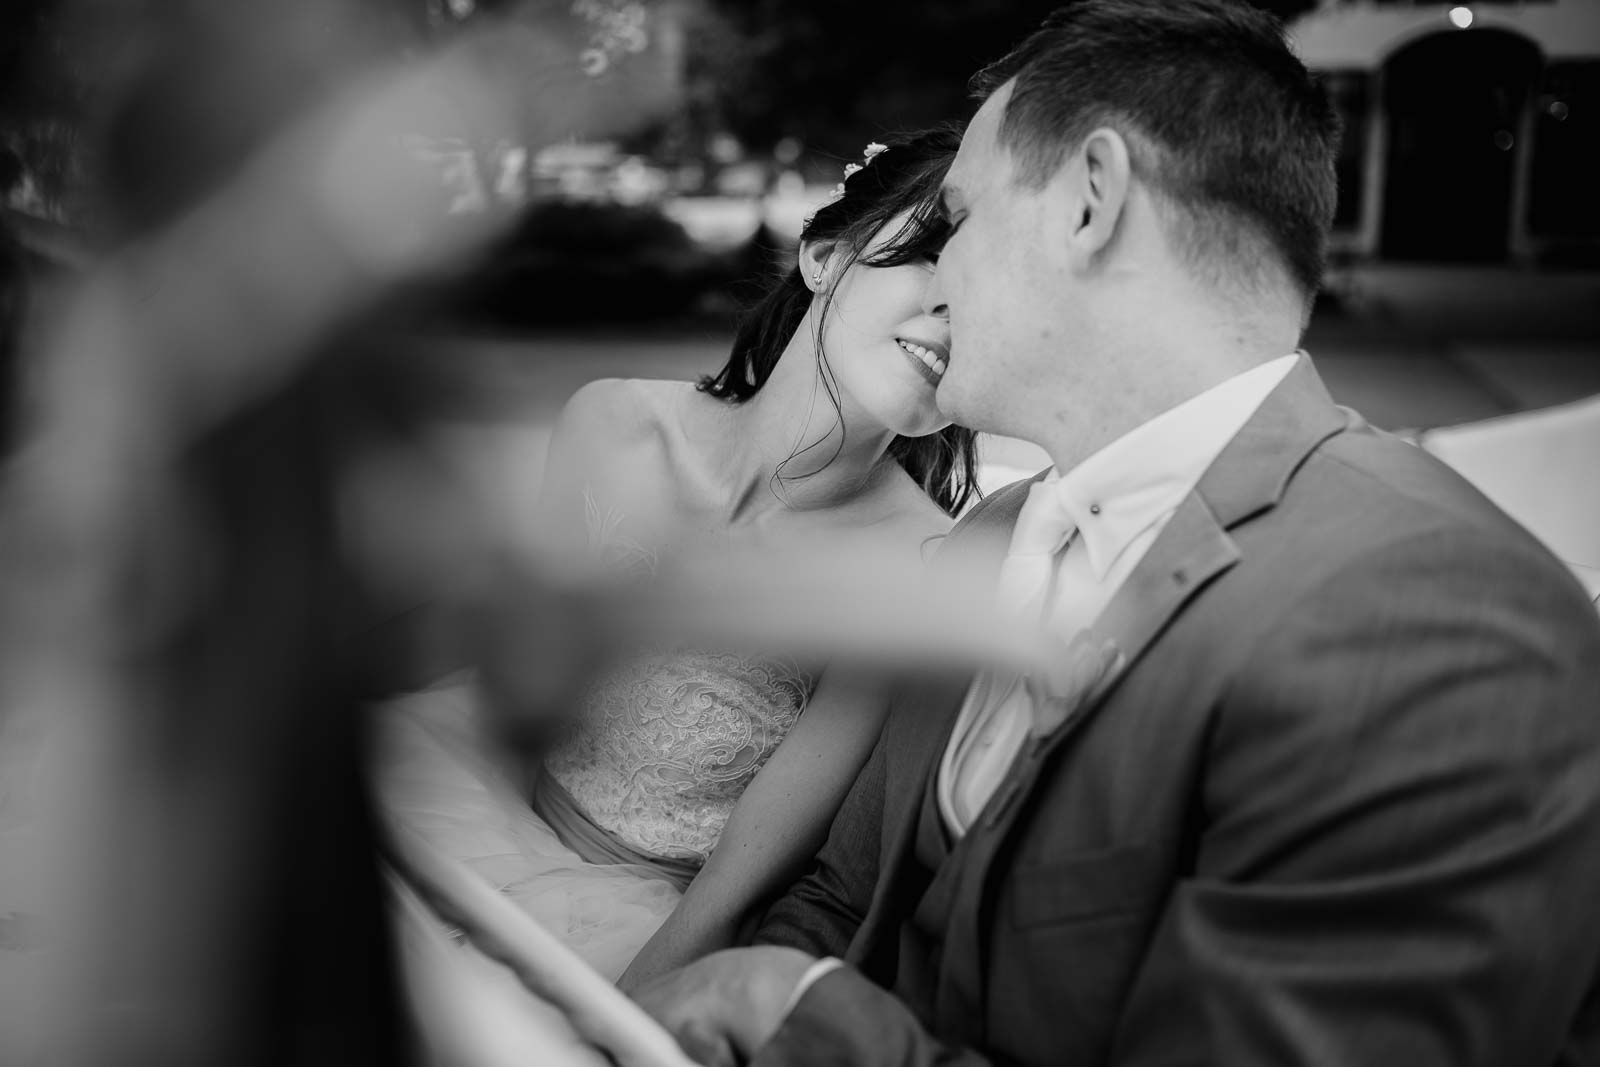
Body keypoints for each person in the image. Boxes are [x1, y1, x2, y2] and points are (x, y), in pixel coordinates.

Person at [631, 3, 1600, 1064]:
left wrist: (798, 1016)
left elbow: (804, 993)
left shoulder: (1436, 627)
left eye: (957, 218)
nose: (936, 277)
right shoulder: (985, 542)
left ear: (1091, 201)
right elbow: (841, 895)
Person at [376, 127, 980, 987]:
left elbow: (735, 888)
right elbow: (512, 691)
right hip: (462, 807)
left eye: (985, 294)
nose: (954, 312)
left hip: (648, 927)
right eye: (928, 254)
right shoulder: (615, 424)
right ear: (821, 255)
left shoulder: (916, 565)